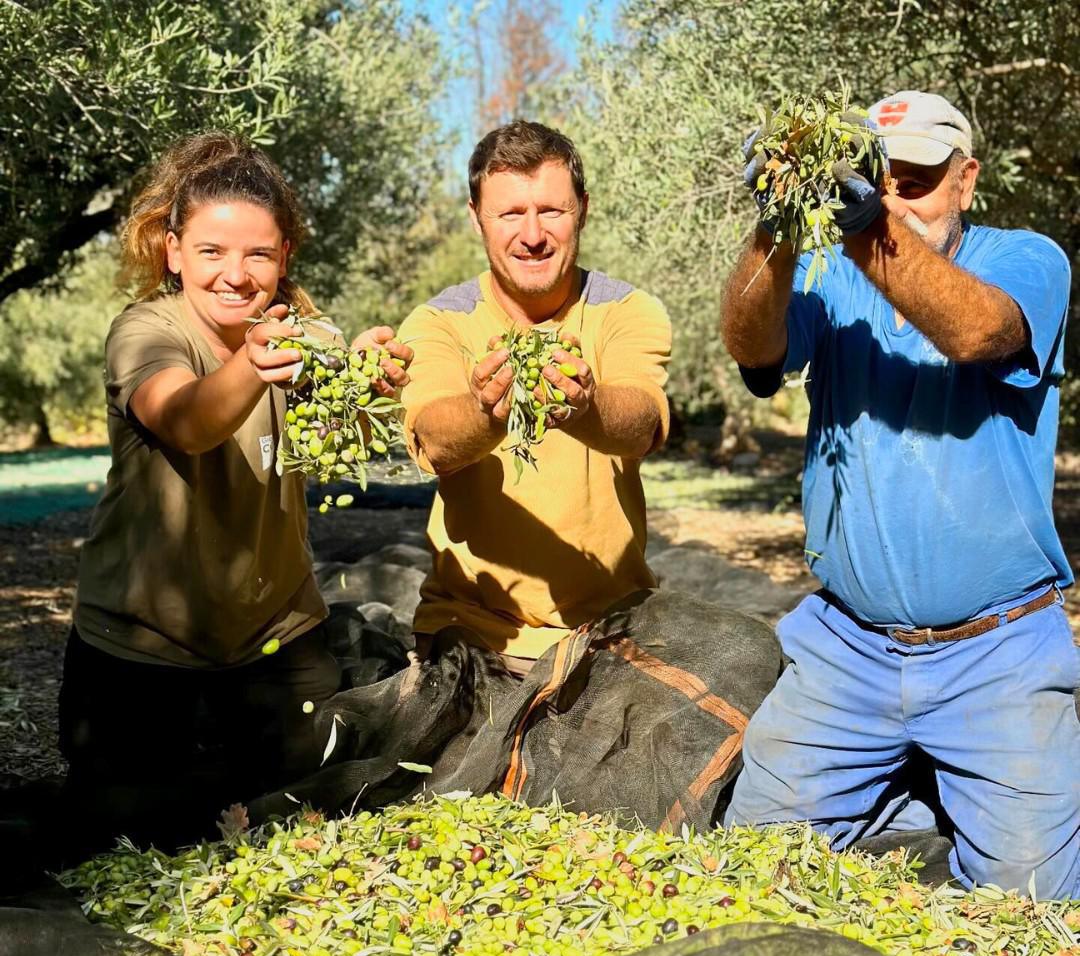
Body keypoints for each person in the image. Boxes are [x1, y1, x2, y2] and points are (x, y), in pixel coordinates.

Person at [720, 91, 1079, 897]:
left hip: (1000, 653)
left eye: (914, 181)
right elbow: (752, 349)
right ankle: (916, 792)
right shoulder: (826, 267)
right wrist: (774, 233)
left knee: (1036, 909)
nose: (892, 200)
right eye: (875, 181)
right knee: (748, 872)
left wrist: (863, 230)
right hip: (847, 649)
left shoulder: (1028, 259)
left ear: (966, 180)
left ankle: (936, 788)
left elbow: (978, 332)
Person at [58, 131, 412, 850]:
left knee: (302, 835)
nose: (235, 274)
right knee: (134, 851)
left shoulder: (304, 337)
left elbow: (346, 417)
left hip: (275, 645)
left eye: (258, 253)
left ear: (284, 258)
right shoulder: (146, 333)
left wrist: (368, 375)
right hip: (142, 654)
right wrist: (254, 362)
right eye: (212, 251)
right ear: (174, 251)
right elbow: (186, 420)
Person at [397, 120, 672, 671]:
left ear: (583, 211)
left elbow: (641, 422)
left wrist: (585, 408)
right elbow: (434, 439)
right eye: (510, 214)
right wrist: (486, 410)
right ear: (476, 217)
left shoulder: (626, 311)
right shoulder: (438, 323)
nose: (532, 235)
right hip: (474, 632)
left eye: (551, 210)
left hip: (608, 628)